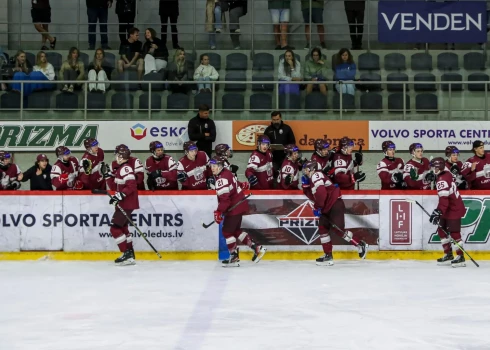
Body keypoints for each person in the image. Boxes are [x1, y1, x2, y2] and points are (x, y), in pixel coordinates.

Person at [301, 160, 368, 266]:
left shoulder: (316, 175)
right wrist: (305, 189)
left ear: (312, 169)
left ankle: (360, 244)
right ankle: (328, 255)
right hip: (326, 207)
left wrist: (318, 207)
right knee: (322, 229)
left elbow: (322, 193)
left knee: (338, 230)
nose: (305, 172)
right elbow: (315, 196)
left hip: (334, 204)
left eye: (306, 169)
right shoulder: (312, 179)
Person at [209, 156, 266, 267]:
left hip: (234, 207)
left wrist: (218, 211)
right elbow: (233, 185)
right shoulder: (227, 172)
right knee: (235, 231)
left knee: (226, 232)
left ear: (220, 167)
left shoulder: (221, 179)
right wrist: (241, 185)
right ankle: (257, 248)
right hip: (239, 205)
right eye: (211, 166)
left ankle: (234, 257)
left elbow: (225, 200)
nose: (212, 168)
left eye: (215, 166)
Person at [428, 157, 467, 268]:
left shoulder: (442, 180)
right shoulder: (445, 173)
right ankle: (448, 254)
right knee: (441, 230)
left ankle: (460, 257)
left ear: (438, 167)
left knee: (454, 233)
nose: (432, 169)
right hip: (448, 208)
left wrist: (438, 211)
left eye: (434, 167)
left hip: (453, 208)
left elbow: (444, 200)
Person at [106, 146, 139, 266]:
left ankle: (126, 253)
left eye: (117, 155)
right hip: (125, 203)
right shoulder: (121, 168)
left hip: (127, 203)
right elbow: (116, 187)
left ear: (120, 156)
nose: (115, 157)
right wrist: (108, 177)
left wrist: (120, 196)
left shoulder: (125, 168)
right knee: (123, 228)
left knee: (114, 228)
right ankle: (130, 253)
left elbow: (131, 185)